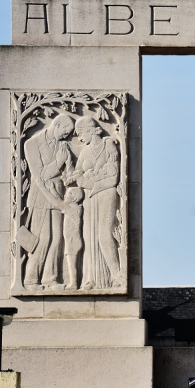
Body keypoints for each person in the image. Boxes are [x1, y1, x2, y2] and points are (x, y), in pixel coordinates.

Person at [66, 116, 123, 289]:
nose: (80, 138)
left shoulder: (109, 145)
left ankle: (116, 276)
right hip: (90, 197)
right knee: (88, 236)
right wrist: (72, 177)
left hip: (106, 194)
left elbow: (113, 178)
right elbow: (77, 172)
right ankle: (90, 279)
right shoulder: (85, 151)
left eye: (81, 133)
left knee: (104, 235)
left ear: (91, 130)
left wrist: (90, 182)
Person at [21, 113, 75, 291]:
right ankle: (31, 280)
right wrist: (58, 163)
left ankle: (50, 279)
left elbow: (68, 175)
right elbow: (40, 177)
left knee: (57, 239)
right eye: (65, 132)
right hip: (40, 198)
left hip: (59, 195)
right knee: (43, 239)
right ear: (57, 125)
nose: (66, 136)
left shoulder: (63, 144)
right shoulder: (32, 144)